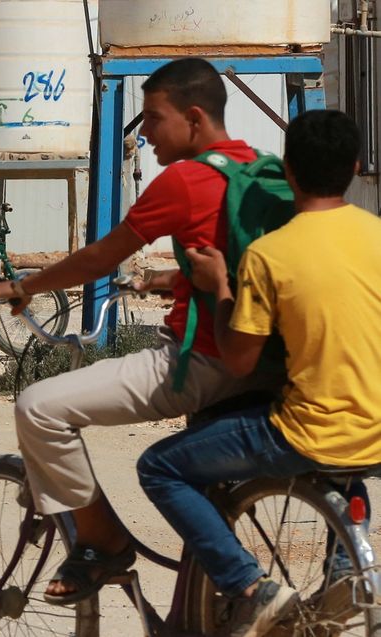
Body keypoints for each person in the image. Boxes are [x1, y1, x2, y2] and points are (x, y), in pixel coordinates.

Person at [0, 58, 284, 600]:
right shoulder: (263, 169)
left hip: (202, 361)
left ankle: (100, 540)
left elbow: (101, 257)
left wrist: (26, 286)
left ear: (193, 118)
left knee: (39, 407)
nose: (143, 132)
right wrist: (178, 277)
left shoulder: (185, 179)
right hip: (264, 359)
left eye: (152, 117)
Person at [136, 110, 381, 637]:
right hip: (375, 429)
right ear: (357, 167)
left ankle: (249, 586)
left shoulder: (271, 254)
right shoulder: (377, 236)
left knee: (160, 467)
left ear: (288, 171)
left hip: (307, 432)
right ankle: (344, 568)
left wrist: (219, 283)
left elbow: (239, 360)